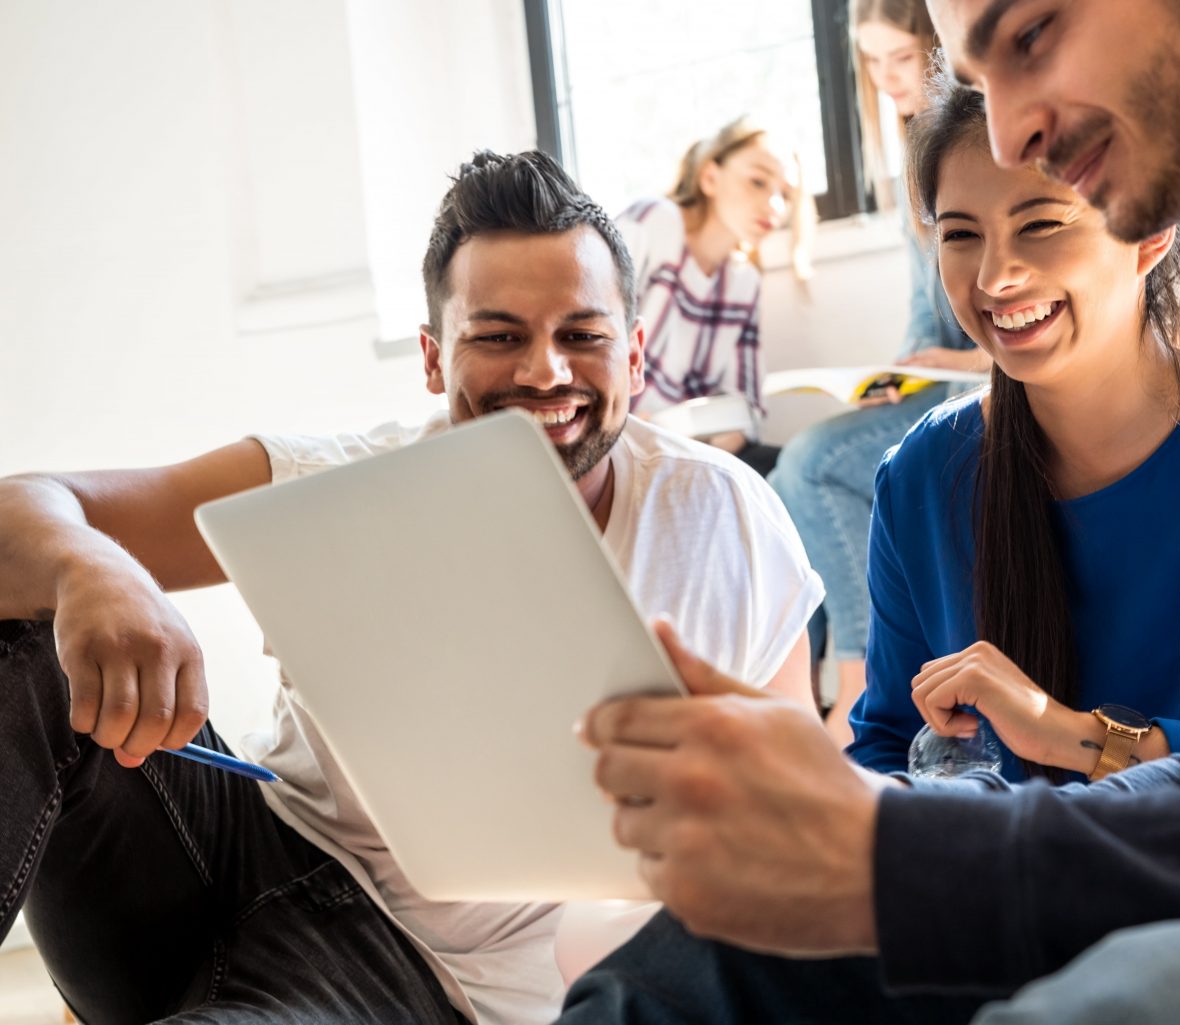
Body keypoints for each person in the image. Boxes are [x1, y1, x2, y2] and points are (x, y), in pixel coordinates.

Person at [557, 3, 1180, 1024]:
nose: (1011, 127)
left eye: (1031, 32)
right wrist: (875, 828)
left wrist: (917, 866)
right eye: (983, 73)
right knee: (690, 974)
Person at [0, 149, 821, 1024]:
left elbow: (802, 793)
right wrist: (92, 567)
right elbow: (26, 507)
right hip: (240, 840)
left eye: (582, 334)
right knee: (23, 627)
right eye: (499, 336)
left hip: (412, 972)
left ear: (637, 355)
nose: (545, 372)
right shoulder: (342, 477)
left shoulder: (725, 514)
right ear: (434, 358)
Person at [848, 81, 1180, 783]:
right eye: (961, 235)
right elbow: (886, 751)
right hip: (997, 890)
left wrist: (1065, 734)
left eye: (1040, 224)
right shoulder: (920, 476)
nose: (997, 276)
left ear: (1152, 226)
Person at [770, 0, 986, 742]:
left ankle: (854, 683)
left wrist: (958, 360)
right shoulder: (910, 167)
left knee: (809, 461)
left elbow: (1014, 318)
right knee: (785, 480)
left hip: (991, 376)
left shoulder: (990, 144)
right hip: (952, 379)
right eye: (872, 62)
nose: (885, 78)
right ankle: (812, 685)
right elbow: (926, 321)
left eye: (900, 58)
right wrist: (892, 377)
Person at [617, 116, 814, 477]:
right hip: (620, 436)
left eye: (785, 194)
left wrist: (730, 435)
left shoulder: (744, 282)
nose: (774, 204)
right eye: (757, 182)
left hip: (691, 447)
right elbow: (588, 328)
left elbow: (747, 399)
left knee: (799, 473)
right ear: (710, 177)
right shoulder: (654, 223)